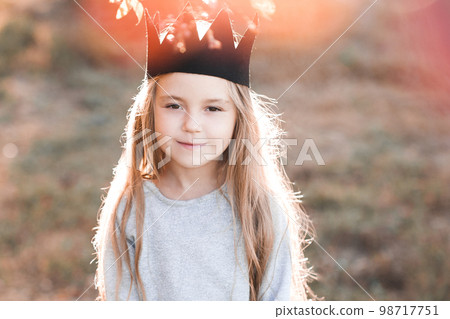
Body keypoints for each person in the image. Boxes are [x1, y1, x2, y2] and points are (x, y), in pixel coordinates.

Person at [92, 3, 317, 301]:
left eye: (212, 108)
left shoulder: (258, 207)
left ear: (238, 118)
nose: (192, 125)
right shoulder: (131, 207)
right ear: (150, 112)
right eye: (174, 105)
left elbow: (279, 300)